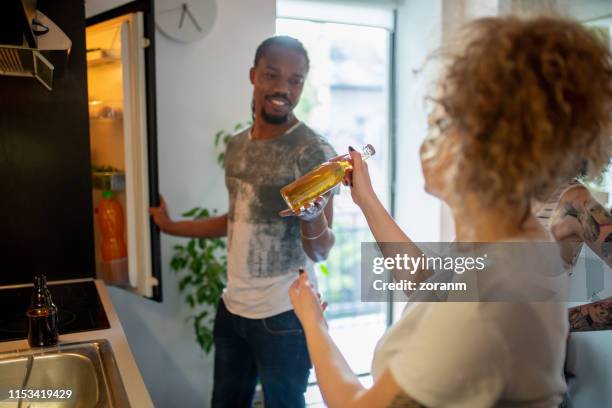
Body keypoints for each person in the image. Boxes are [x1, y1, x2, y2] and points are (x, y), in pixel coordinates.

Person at [288, 16, 612, 407]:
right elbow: (430, 286)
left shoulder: (487, 304)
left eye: (443, 123)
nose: (428, 137)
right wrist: (368, 201)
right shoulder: (506, 242)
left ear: (486, 150)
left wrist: (313, 325)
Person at [150, 36, 338, 407]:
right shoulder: (236, 146)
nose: (283, 88)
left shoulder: (314, 152)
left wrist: (311, 215)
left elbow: (321, 250)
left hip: (285, 316)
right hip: (233, 308)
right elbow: (237, 220)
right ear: (253, 75)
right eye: (272, 75)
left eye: (295, 80)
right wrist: (171, 227)